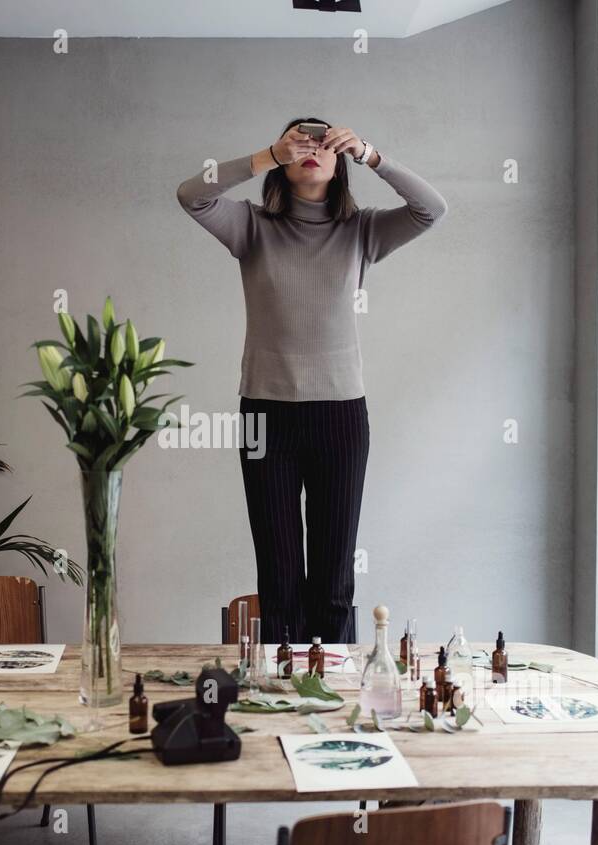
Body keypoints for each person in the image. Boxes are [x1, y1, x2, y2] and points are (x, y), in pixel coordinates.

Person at [177, 117, 447, 644]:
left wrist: (373, 154)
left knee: (333, 578)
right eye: (300, 140)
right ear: (283, 156)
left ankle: (335, 697)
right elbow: (192, 195)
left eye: (325, 143)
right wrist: (264, 156)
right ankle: (280, 696)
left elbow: (431, 209)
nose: (312, 149)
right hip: (264, 415)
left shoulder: (361, 230)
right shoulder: (251, 226)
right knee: (278, 577)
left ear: (340, 161)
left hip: (340, 415)